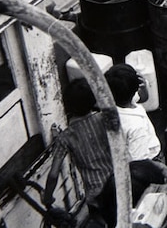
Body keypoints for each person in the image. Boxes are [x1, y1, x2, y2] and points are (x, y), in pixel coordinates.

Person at [42, 79, 115, 228]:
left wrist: (48, 197)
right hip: (116, 184)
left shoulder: (66, 137)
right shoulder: (104, 119)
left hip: (97, 195)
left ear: (67, 106)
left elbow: (54, 174)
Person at [104, 64, 167, 205]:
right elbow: (138, 161)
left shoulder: (114, 104)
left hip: (128, 157)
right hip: (149, 162)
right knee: (154, 197)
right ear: (134, 88)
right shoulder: (135, 127)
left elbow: (142, 98)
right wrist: (160, 167)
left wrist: (143, 88)